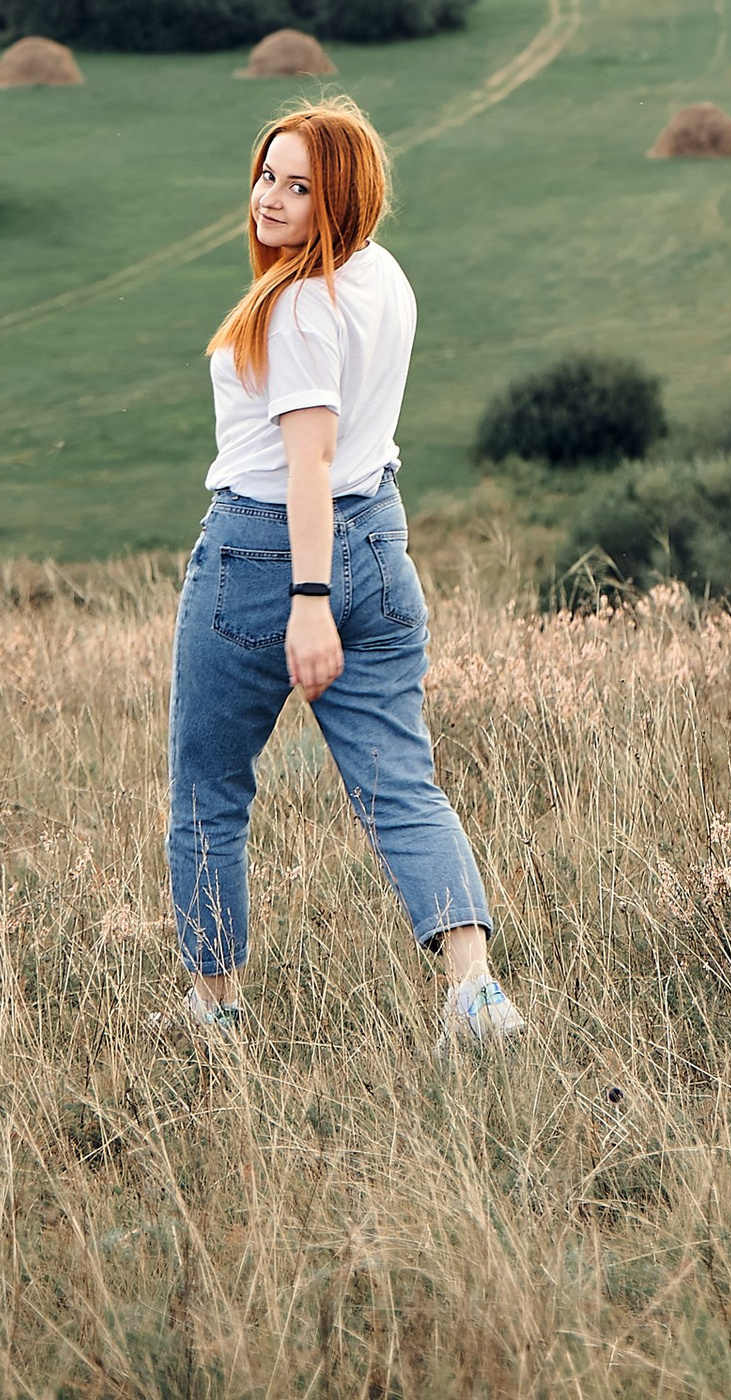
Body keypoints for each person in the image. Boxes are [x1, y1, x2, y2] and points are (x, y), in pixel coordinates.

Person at [165, 91, 521, 1048]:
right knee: (403, 783)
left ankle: (214, 1009)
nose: (269, 200)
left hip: (270, 555)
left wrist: (308, 602)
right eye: (266, 176)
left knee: (208, 791)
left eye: (298, 187)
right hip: (380, 539)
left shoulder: (296, 309)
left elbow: (308, 462)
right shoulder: (381, 276)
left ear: (344, 200)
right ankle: (474, 994)